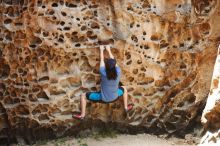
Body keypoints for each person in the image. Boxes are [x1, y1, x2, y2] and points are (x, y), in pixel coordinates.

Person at [73, 45, 133, 120]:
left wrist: (101, 50)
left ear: (106, 67)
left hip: (102, 98)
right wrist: (108, 50)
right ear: (114, 66)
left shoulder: (103, 72)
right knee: (124, 89)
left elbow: (101, 60)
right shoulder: (118, 71)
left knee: (83, 96)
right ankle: (126, 107)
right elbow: (113, 61)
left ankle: (82, 115)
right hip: (115, 97)